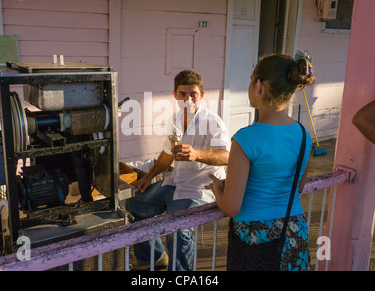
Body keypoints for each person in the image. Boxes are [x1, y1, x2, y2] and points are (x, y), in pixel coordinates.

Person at [206, 54, 315, 271]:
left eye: (250, 79)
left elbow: (231, 207)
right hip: (294, 230)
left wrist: (218, 189)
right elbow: (298, 186)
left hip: (256, 235)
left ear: (258, 85)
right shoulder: (303, 134)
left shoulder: (246, 139)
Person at [126, 69, 230, 271]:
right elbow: (167, 154)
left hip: (201, 186)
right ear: (175, 95)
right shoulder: (175, 119)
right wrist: (149, 176)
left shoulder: (212, 121)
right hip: (176, 181)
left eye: (193, 94)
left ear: (201, 94)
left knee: (178, 228)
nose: (188, 99)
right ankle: (153, 259)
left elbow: (226, 156)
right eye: (183, 94)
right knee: (134, 207)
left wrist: (196, 154)